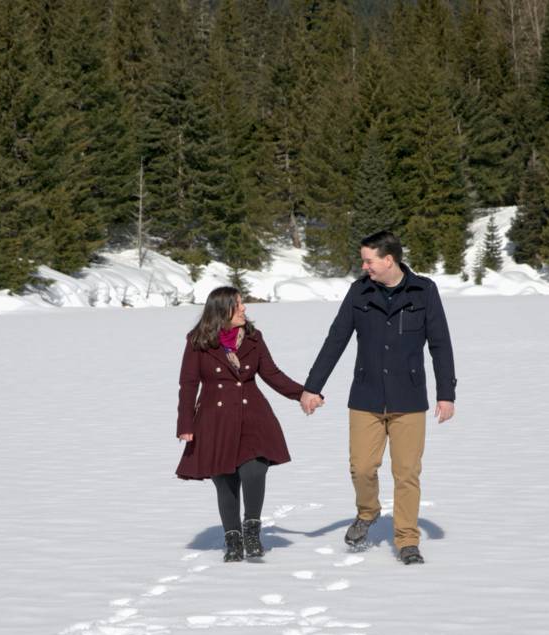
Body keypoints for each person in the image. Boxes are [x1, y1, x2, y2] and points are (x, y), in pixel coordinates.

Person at [300, 231, 456, 565]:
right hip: (366, 396)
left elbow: (440, 343)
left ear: (389, 259)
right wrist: (312, 386)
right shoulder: (359, 292)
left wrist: (447, 393)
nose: (364, 265)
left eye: (369, 260)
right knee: (362, 467)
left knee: (406, 473)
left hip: (409, 399)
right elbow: (336, 340)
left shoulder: (424, 290)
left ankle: (407, 540)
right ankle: (368, 512)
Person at [177, 287, 308, 562]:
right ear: (221, 310)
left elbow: (271, 373)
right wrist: (186, 424)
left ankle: (251, 530)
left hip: (253, 416)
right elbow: (188, 385)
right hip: (215, 420)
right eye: (237, 305)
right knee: (224, 481)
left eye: (242, 304)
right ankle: (233, 538)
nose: (244, 309)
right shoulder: (198, 341)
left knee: (254, 473)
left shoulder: (253, 338)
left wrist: (303, 393)